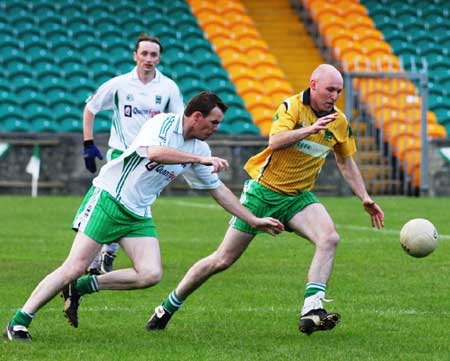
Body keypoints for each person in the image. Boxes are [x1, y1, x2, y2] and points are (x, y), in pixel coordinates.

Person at [3, 92, 284, 342]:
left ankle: (80, 288)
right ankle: (18, 322)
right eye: (214, 122)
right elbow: (155, 153)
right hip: (109, 199)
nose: (216, 128)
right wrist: (200, 161)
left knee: (150, 274)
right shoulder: (163, 124)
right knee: (74, 265)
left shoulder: (200, 149)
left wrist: (253, 220)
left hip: (137, 213)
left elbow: (219, 191)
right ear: (196, 116)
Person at [146, 64, 385, 335]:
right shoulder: (292, 106)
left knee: (329, 238)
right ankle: (166, 307)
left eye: (339, 91)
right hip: (263, 193)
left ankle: (312, 310)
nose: (334, 95)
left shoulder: (339, 121)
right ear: (314, 84)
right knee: (222, 260)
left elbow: (345, 161)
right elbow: (275, 141)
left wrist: (364, 196)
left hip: (298, 197)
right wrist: (309, 129)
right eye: (330, 89)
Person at [83, 33, 185, 275]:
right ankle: (101, 255)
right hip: (122, 154)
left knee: (137, 203)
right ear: (135, 56)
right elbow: (91, 108)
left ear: (159, 59)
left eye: (153, 55)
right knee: (119, 203)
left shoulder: (168, 87)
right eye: (144, 54)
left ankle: (107, 252)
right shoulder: (119, 84)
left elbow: (179, 121)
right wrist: (88, 143)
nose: (148, 59)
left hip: (149, 156)